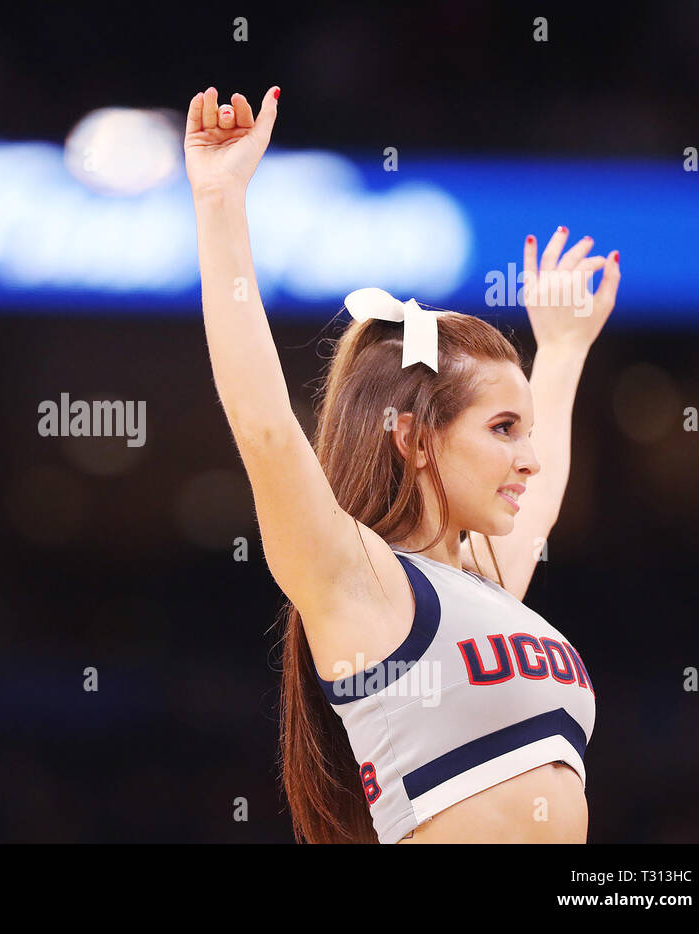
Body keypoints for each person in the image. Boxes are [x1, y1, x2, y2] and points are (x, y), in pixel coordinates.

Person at [184, 85, 622, 843]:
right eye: (504, 428)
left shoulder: (482, 584)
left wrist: (565, 348)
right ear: (417, 439)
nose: (528, 457)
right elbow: (264, 427)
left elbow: (541, 490)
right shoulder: (364, 588)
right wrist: (220, 200)